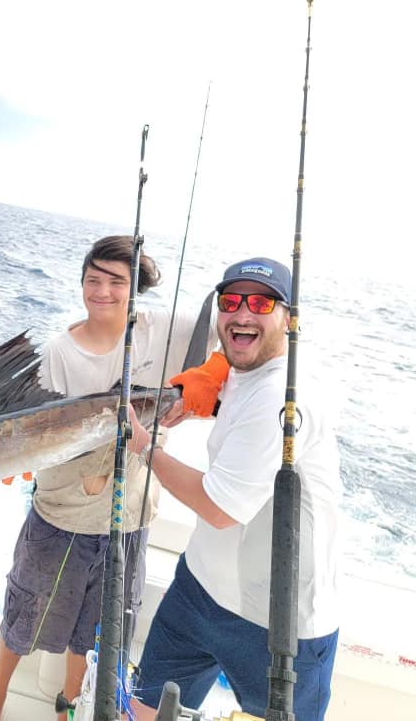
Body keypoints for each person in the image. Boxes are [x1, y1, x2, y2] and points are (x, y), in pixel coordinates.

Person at [0, 236, 218, 721]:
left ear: (134, 288)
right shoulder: (61, 351)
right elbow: (40, 435)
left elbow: (228, 336)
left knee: (97, 633)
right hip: (63, 514)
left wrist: (198, 393)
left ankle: (67, 708)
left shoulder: (163, 328)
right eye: (93, 280)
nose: (102, 291)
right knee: (24, 615)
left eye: (116, 282)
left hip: (129, 517)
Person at [127, 257, 341, 721]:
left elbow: (220, 507)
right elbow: (238, 377)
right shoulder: (249, 371)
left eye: (261, 302)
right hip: (199, 590)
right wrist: (212, 382)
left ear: (290, 318)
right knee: (140, 711)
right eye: (231, 302)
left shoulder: (285, 398)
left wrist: (144, 446)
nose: (242, 314)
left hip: (280, 627)